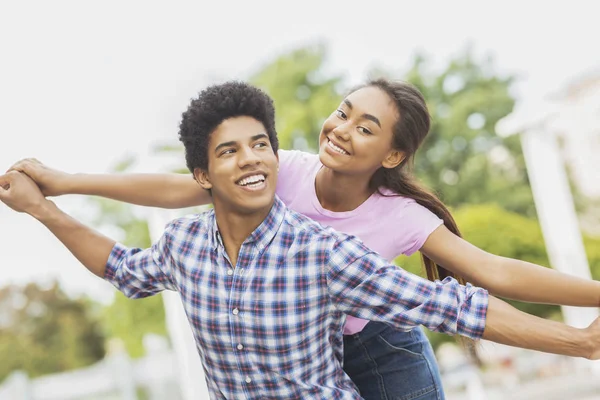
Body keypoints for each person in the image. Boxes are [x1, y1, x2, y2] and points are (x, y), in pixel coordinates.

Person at [4, 81, 600, 400]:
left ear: (391, 154)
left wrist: (586, 320)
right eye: (344, 112)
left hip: (377, 342)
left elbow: (482, 280)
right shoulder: (280, 170)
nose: (341, 129)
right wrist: (60, 186)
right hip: (296, 342)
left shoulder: (388, 223)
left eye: (366, 128)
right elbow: (166, 198)